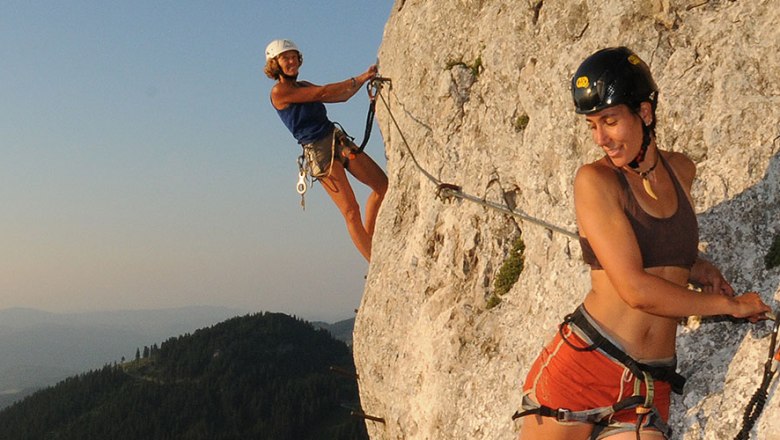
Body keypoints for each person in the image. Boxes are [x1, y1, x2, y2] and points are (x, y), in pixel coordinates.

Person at [516, 47, 771, 440]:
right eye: (592, 125)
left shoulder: (682, 170)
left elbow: (660, 247)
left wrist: (699, 268)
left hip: (649, 386)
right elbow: (635, 288)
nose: (601, 138)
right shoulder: (596, 182)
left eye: (610, 121)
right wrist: (730, 306)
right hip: (584, 365)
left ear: (645, 113)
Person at [264, 39, 388, 262]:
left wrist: (364, 81)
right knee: (350, 210)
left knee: (382, 185)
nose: (291, 61)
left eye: (294, 57)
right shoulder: (279, 92)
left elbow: (339, 96)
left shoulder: (303, 85)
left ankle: (371, 245)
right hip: (318, 151)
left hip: (335, 139)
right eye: (285, 58)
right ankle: (375, 262)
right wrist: (359, 78)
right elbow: (320, 94)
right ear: (275, 64)